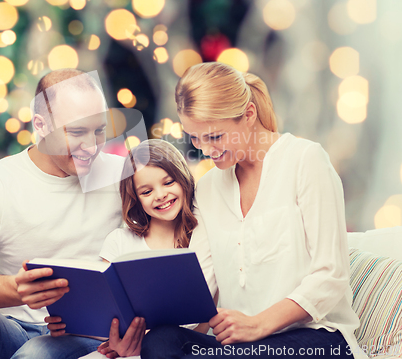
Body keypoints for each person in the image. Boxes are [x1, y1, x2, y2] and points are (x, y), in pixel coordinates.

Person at [141, 62, 367, 359]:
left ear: (248, 115)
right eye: (195, 137)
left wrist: (258, 324)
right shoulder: (208, 188)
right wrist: (139, 332)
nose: (206, 150)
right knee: (161, 340)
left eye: (215, 136)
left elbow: (330, 277)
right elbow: (201, 284)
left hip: (317, 338)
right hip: (241, 347)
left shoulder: (305, 161)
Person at [0, 69, 128, 359]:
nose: (92, 146)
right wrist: (17, 289)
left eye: (100, 130)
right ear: (41, 125)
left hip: (86, 335)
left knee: (34, 355)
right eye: (77, 132)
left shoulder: (125, 178)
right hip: (10, 327)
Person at [45, 139, 218, 359]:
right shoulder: (120, 241)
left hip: (178, 348)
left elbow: (202, 321)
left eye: (168, 182)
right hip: (123, 349)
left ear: (183, 178)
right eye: (146, 192)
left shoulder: (202, 238)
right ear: (135, 198)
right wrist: (70, 324)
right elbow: (106, 312)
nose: (160, 195)